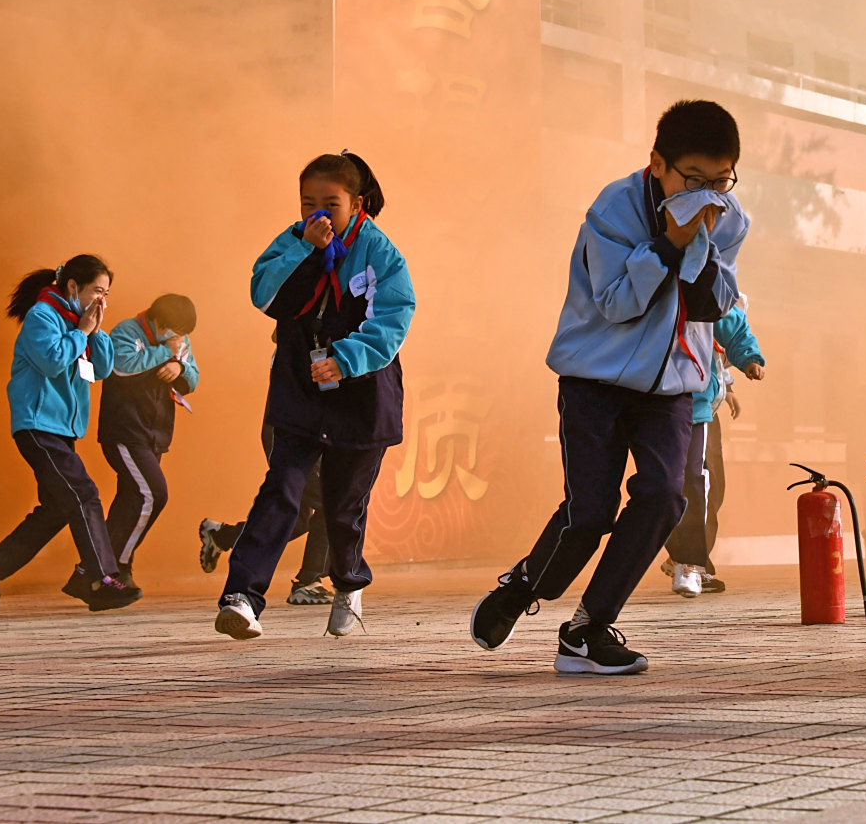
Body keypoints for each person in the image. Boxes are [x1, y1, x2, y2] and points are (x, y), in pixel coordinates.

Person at [470, 99, 748, 675]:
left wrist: (700, 247)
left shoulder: (730, 217)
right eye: (694, 179)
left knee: (665, 496)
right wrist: (667, 245)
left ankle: (587, 630)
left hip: (671, 385)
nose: (708, 194)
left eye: (721, 180)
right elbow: (617, 303)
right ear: (657, 164)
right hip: (594, 379)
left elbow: (717, 305)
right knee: (591, 512)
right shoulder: (613, 210)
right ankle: (524, 586)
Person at [214, 151, 414, 641]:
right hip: (301, 389)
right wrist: (305, 249)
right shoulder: (292, 240)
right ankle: (242, 597)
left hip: (361, 395)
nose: (318, 213)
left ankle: (348, 584)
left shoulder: (381, 253)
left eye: (331, 203)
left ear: (357, 203)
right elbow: (265, 296)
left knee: (343, 508)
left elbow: (394, 318)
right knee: (281, 489)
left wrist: (345, 359)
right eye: (308, 203)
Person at [0, 255, 138, 614]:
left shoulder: (80, 322)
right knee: (84, 493)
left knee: (56, 509)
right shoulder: (42, 316)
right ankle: (99, 579)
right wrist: (81, 331)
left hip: (62, 429)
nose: (101, 300)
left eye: (106, 294)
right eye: (97, 291)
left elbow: (102, 369)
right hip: (38, 425)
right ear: (73, 287)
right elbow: (51, 361)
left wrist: (95, 330)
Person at [89, 293, 199, 594]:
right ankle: (119, 567)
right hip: (125, 431)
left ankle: (91, 570)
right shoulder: (126, 331)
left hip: (155, 434)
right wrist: (165, 353)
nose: (178, 338)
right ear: (159, 322)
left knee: (130, 501)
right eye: (174, 331)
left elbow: (194, 376)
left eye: (182, 334)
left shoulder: (178, 340)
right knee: (154, 494)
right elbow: (122, 366)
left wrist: (180, 369)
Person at [666, 298, 765, 596]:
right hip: (653, 400)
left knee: (703, 484)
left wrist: (734, 377)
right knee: (666, 485)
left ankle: (691, 561)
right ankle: (682, 557)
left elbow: (727, 328)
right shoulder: (648, 281)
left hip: (699, 403)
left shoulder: (709, 283)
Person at [199, 428, 335, 605]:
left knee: (300, 520)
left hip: (309, 438)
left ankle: (223, 536)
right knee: (331, 502)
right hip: (292, 435)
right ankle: (307, 582)